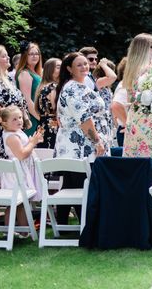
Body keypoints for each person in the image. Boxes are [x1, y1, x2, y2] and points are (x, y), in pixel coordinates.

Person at [54, 52, 108, 226]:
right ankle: (87, 226)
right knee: (82, 186)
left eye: (86, 63)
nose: (85, 66)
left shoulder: (82, 85)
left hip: (78, 147)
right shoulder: (72, 89)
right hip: (78, 148)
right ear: (69, 69)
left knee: (70, 185)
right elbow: (84, 118)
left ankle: (63, 226)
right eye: (80, 64)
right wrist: (97, 141)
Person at [0, 105, 43, 231]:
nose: (19, 121)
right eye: (14, 119)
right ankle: (10, 230)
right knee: (16, 202)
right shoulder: (11, 136)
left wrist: (33, 140)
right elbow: (21, 154)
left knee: (23, 201)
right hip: (15, 172)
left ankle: (23, 230)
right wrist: (32, 143)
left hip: (21, 170)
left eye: (19, 117)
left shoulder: (17, 132)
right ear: (4, 123)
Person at [120, 34, 152, 161]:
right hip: (149, 119)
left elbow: (129, 100)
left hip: (134, 118)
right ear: (148, 48)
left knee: (136, 158)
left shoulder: (131, 70)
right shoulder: (149, 69)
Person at [0, 45, 31, 149]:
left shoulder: (8, 79)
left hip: (14, 131)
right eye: (4, 56)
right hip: (2, 136)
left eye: (7, 55)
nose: (8, 58)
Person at [15, 41, 43, 136]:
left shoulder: (36, 73)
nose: (34, 56)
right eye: (31, 54)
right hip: (32, 118)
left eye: (36, 54)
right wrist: (41, 119)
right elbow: (27, 100)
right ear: (25, 56)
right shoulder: (25, 73)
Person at [34, 58, 61, 149]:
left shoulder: (42, 86)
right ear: (50, 70)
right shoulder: (53, 87)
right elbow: (56, 109)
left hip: (42, 126)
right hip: (53, 127)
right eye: (58, 67)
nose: (62, 69)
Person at [92, 59, 117, 147]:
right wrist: (103, 64)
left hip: (107, 122)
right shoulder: (98, 82)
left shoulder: (107, 88)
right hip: (99, 122)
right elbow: (113, 77)